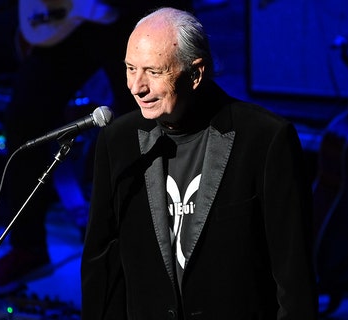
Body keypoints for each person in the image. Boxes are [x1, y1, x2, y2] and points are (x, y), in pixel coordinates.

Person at [81, 7, 318, 319]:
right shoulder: (118, 141)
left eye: (153, 72)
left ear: (196, 73)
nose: (137, 87)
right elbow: (103, 265)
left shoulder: (265, 140)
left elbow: (293, 278)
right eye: (130, 68)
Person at [0, 1, 193, 296]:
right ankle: (28, 246)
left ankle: (156, 249)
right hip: (73, 22)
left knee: (144, 119)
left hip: (129, 16)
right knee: (24, 117)